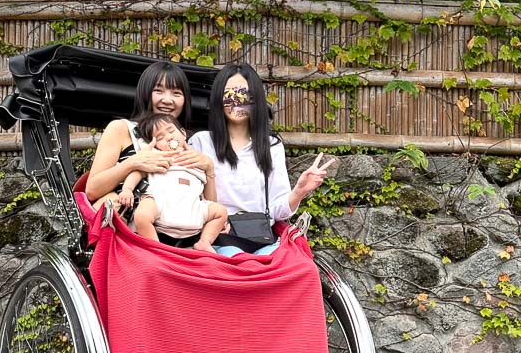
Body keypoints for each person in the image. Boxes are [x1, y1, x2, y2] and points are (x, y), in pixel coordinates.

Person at [188, 63, 336, 256]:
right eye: (229, 93)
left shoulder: (271, 146)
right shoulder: (201, 142)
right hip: (217, 236)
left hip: (261, 238)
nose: (236, 100)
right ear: (218, 98)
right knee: (238, 261)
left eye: (244, 94)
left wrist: (299, 191)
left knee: (299, 267)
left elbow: (276, 210)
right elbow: (189, 196)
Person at [85, 60, 215, 219]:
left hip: (178, 236)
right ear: (145, 93)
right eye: (159, 91)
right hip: (128, 233)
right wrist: (133, 163)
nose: (168, 100)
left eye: (176, 93)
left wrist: (209, 169)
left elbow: (207, 207)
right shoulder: (121, 129)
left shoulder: (183, 142)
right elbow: (92, 190)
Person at [118, 112, 228, 251]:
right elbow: (138, 172)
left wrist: (208, 170)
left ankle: (204, 242)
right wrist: (127, 189)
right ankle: (155, 247)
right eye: (160, 137)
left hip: (192, 209)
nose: (169, 137)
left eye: (171, 131)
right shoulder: (157, 157)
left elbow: (209, 197)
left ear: (183, 134)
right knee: (142, 214)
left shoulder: (197, 159)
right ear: (154, 144)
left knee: (221, 212)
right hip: (162, 205)